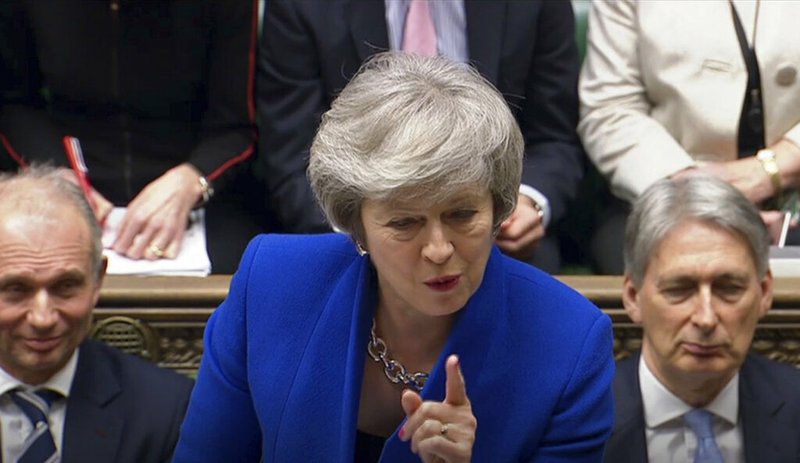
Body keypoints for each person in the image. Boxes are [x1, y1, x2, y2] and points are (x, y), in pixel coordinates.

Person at [174, 53, 614, 462]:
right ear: (356, 223)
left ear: (497, 207)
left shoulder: (570, 345)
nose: (439, 249)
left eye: (462, 214)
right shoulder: (270, 285)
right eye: (405, 223)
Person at [257, 0, 585, 274]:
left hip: (489, 229)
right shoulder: (301, 5)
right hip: (357, 230)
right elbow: (292, 152)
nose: (436, 249)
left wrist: (527, 203)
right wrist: (364, 231)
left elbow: (554, 136)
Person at [0, 0, 266, 273]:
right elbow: (15, 104)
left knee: (245, 274)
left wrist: (193, 179)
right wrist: (57, 173)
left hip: (198, 177)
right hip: (69, 166)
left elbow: (236, 124)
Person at [578, 0, 800, 274]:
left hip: (793, 197)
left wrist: (767, 173)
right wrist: (691, 192)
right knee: (655, 273)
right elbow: (609, 108)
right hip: (659, 191)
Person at [0, 165, 194, 463]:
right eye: (16, 289)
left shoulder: (167, 410)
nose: (43, 318)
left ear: (97, 280)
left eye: (65, 287)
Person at [605, 175, 800, 462]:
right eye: (679, 290)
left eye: (729, 289)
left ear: (765, 292)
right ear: (633, 296)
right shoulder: (578, 418)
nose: (706, 319)